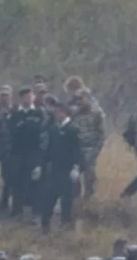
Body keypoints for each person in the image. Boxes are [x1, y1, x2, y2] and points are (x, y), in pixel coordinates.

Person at [35, 101, 83, 233]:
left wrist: (76, 167)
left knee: (66, 199)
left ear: (64, 112)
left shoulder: (73, 129)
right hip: (54, 170)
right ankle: (45, 226)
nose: (56, 115)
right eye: (55, 112)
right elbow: (48, 150)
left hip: (68, 170)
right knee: (49, 197)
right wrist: (40, 165)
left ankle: (66, 226)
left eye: (58, 112)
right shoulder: (53, 129)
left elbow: (78, 151)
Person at [6, 86, 45, 217]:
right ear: (21, 98)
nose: (28, 99)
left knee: (35, 181)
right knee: (17, 181)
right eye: (25, 96)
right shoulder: (15, 114)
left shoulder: (39, 113)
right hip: (18, 152)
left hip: (34, 152)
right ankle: (17, 209)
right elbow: (12, 131)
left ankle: (36, 211)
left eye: (30, 96)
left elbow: (42, 131)